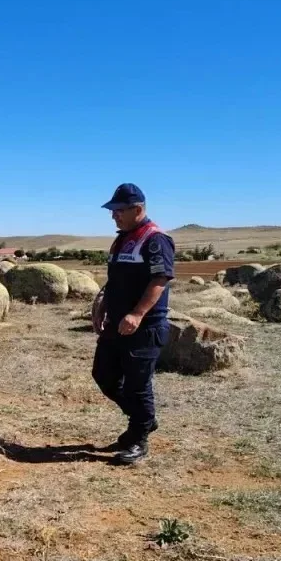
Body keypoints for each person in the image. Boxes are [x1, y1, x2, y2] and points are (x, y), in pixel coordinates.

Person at [90, 183, 174, 465]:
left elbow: (160, 279)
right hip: (116, 323)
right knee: (104, 375)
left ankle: (138, 437)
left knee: (138, 385)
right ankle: (144, 420)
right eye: (112, 211)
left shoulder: (155, 239)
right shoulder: (122, 239)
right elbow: (116, 279)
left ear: (137, 209)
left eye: (118, 211)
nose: (113, 216)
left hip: (145, 326)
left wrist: (137, 314)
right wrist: (102, 304)